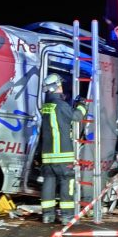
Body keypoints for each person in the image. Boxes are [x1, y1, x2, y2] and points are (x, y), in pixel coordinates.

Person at [39, 73, 84, 224]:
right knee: (67, 182)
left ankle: (47, 215)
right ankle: (67, 216)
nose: (61, 86)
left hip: (47, 155)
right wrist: (82, 105)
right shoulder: (62, 106)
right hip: (63, 154)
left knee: (49, 182)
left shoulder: (46, 107)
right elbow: (76, 117)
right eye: (60, 84)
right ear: (56, 86)